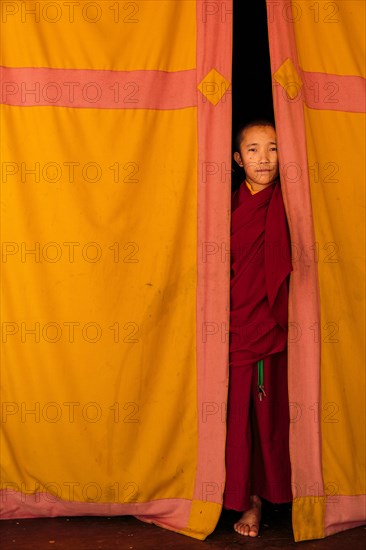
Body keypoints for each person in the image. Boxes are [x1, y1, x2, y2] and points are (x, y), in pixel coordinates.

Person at [223, 120, 293, 537]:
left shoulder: (292, 203)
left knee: (269, 414)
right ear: (237, 159)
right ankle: (241, 496)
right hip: (233, 324)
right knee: (234, 416)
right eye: (252, 150)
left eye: (272, 149)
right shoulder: (227, 207)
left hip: (273, 324)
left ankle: (266, 497)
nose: (263, 159)